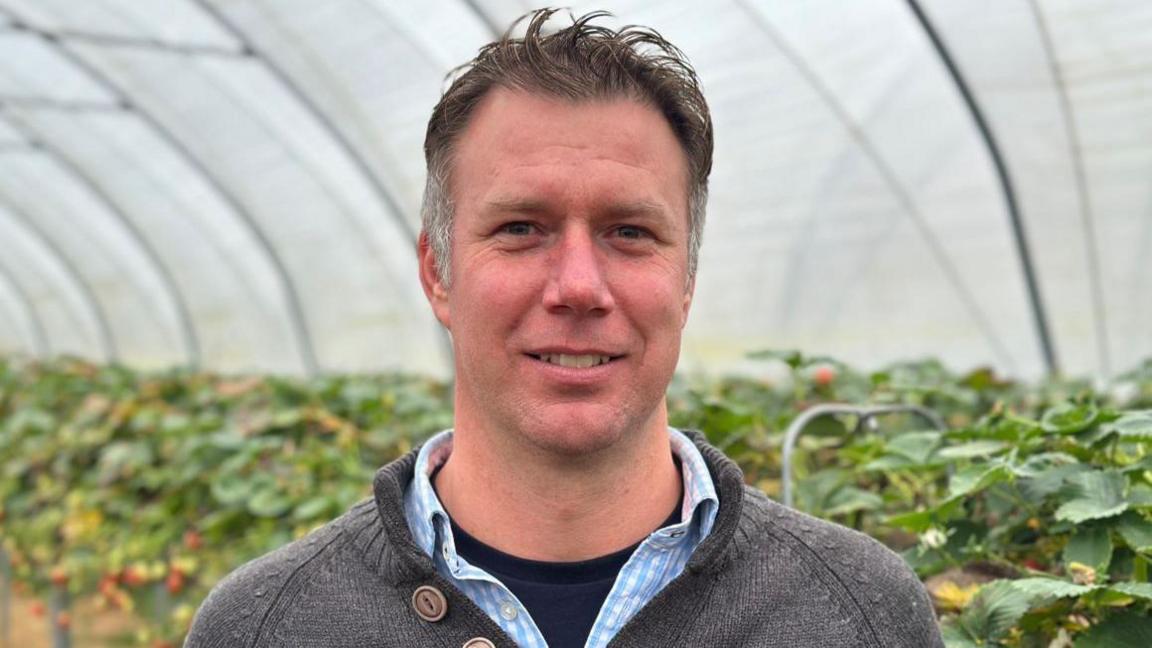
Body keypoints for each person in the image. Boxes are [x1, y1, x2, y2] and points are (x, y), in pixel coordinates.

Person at [187, 9, 943, 647]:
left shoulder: (862, 614)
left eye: (630, 232)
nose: (579, 286)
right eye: (521, 228)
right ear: (437, 274)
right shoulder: (264, 627)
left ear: (687, 280)